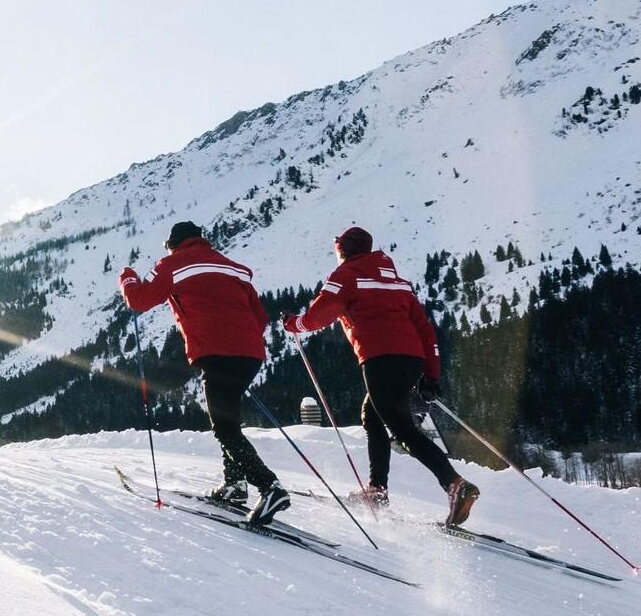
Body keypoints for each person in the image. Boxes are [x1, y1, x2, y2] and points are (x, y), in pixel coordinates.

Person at [284, 226, 482, 526]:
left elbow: (321, 312)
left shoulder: (346, 275)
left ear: (343, 251)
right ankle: (377, 489)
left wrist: (294, 324)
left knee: (401, 428)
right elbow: (426, 330)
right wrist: (431, 375)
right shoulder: (399, 283)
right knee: (373, 415)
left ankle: (454, 484)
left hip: (379, 359)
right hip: (411, 360)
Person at [119, 221, 290, 527]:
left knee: (224, 427)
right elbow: (260, 317)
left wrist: (128, 278)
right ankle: (235, 485)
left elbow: (139, 301)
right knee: (229, 418)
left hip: (216, 353)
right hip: (250, 354)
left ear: (173, 243)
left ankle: (269, 487)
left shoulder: (171, 264)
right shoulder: (234, 268)